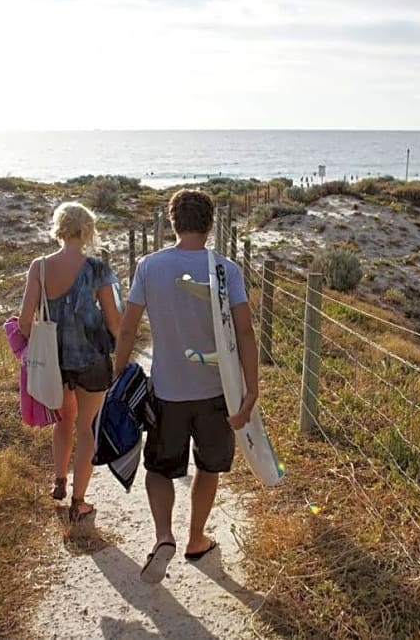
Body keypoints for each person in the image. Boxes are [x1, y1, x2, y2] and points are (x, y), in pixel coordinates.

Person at [113, 188, 259, 583]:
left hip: (166, 392)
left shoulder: (150, 266)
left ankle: (164, 537)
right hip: (217, 392)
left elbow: (128, 327)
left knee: (160, 469)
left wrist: (118, 372)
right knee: (208, 467)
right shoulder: (226, 270)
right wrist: (252, 389)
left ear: (173, 221)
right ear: (211, 224)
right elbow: (245, 333)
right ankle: (196, 538)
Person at [19, 201, 122, 522]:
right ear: (87, 230)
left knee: (63, 422)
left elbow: (25, 321)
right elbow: (114, 321)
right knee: (87, 428)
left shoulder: (40, 267)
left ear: (60, 228)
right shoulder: (97, 269)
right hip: (91, 359)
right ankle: (79, 501)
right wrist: (122, 349)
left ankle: (59, 482)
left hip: (54, 363)